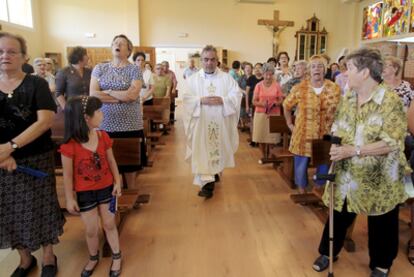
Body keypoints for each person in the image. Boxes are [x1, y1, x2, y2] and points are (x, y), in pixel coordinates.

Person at [312, 48, 412, 277]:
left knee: (382, 220)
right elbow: (338, 125)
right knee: (338, 213)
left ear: (365, 72)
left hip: (381, 174)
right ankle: (328, 251)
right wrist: (335, 142)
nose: (345, 73)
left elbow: (393, 142)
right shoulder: (348, 97)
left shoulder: (390, 100)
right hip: (347, 171)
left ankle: (381, 263)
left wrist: (354, 150)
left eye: (350, 68)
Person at [0, 31, 65, 277]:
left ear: (23, 56)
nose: (5, 55)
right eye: (0, 51)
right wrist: (3, 155)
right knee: (7, 211)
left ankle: (48, 256)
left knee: (42, 207)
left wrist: (11, 147)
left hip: (35, 157)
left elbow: (45, 121)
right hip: (2, 162)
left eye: (11, 51)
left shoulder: (36, 84)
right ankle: (25, 260)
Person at [60, 96, 122, 277]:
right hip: (85, 193)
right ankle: (93, 257)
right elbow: (68, 175)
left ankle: (117, 255)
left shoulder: (103, 136)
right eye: (99, 111)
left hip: (107, 188)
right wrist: (70, 198)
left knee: (109, 223)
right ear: (86, 117)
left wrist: (118, 181)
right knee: (91, 229)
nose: (102, 114)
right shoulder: (69, 145)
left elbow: (111, 161)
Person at [183, 45, 241, 198]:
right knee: (202, 151)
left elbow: (236, 96)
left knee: (217, 150)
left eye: (213, 60)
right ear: (201, 61)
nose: (209, 63)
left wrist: (223, 100)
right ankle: (207, 185)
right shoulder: (193, 80)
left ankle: (215, 173)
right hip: (201, 123)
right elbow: (187, 99)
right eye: (206, 59)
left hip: (220, 123)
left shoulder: (226, 78)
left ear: (218, 61)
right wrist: (200, 100)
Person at [90, 34, 144, 189]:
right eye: (115, 42)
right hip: (105, 122)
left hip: (130, 123)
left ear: (128, 50)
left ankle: (132, 191)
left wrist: (107, 91)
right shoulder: (100, 68)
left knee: (130, 161)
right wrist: (121, 97)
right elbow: (93, 94)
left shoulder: (134, 69)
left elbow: (132, 95)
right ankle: (115, 191)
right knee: (108, 160)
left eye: (122, 43)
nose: (117, 44)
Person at [283, 55, 341, 194]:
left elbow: (340, 109)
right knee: (301, 161)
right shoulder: (300, 88)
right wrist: (289, 123)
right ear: (309, 70)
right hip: (303, 132)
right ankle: (301, 186)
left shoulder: (334, 88)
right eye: (314, 66)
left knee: (324, 161)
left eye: (320, 66)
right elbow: (286, 105)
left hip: (326, 132)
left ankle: (319, 186)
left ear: (325, 69)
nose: (317, 69)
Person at [252, 63, 284, 163]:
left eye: (270, 74)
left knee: (272, 137)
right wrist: (263, 104)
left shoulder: (277, 85)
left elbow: (281, 100)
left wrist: (275, 103)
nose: (268, 76)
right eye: (266, 74)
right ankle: (263, 155)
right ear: (263, 74)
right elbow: (254, 101)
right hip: (260, 114)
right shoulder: (258, 86)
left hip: (274, 114)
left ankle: (270, 155)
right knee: (260, 136)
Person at [246, 63, 264, 147]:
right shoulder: (251, 78)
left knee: (260, 122)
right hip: (252, 104)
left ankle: (260, 139)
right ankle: (253, 139)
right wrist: (246, 105)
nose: (257, 70)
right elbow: (247, 93)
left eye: (259, 68)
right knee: (252, 121)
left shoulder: (264, 78)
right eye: (255, 68)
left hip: (262, 104)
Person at [238, 62, 253, 131]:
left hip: (252, 97)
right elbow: (237, 86)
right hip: (243, 96)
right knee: (242, 111)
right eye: (246, 68)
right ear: (244, 69)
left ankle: (249, 125)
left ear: (252, 69)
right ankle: (243, 124)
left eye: (249, 68)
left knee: (250, 112)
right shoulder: (241, 77)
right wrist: (244, 92)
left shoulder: (254, 77)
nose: (248, 69)